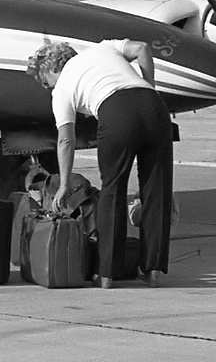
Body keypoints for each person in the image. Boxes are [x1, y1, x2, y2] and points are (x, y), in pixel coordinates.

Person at [27, 38, 174, 288]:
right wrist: (149, 86)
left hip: (116, 112)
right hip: (154, 107)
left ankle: (107, 273)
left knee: (113, 190)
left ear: (51, 69)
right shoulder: (103, 47)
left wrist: (64, 184)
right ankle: (152, 270)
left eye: (44, 81)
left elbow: (65, 140)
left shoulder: (62, 87)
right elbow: (142, 48)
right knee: (157, 190)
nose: (47, 87)